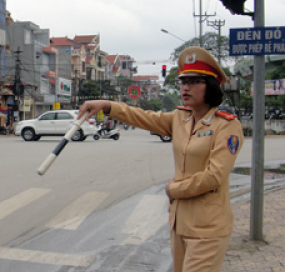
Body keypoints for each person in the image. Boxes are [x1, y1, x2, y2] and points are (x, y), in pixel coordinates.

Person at [77, 46, 243, 272]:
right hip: (180, 223)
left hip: (208, 226)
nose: (186, 87)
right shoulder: (180, 119)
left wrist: (174, 189)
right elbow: (143, 117)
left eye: (194, 81)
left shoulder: (226, 125)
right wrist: (108, 106)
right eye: (183, 82)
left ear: (211, 86)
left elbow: (215, 176)